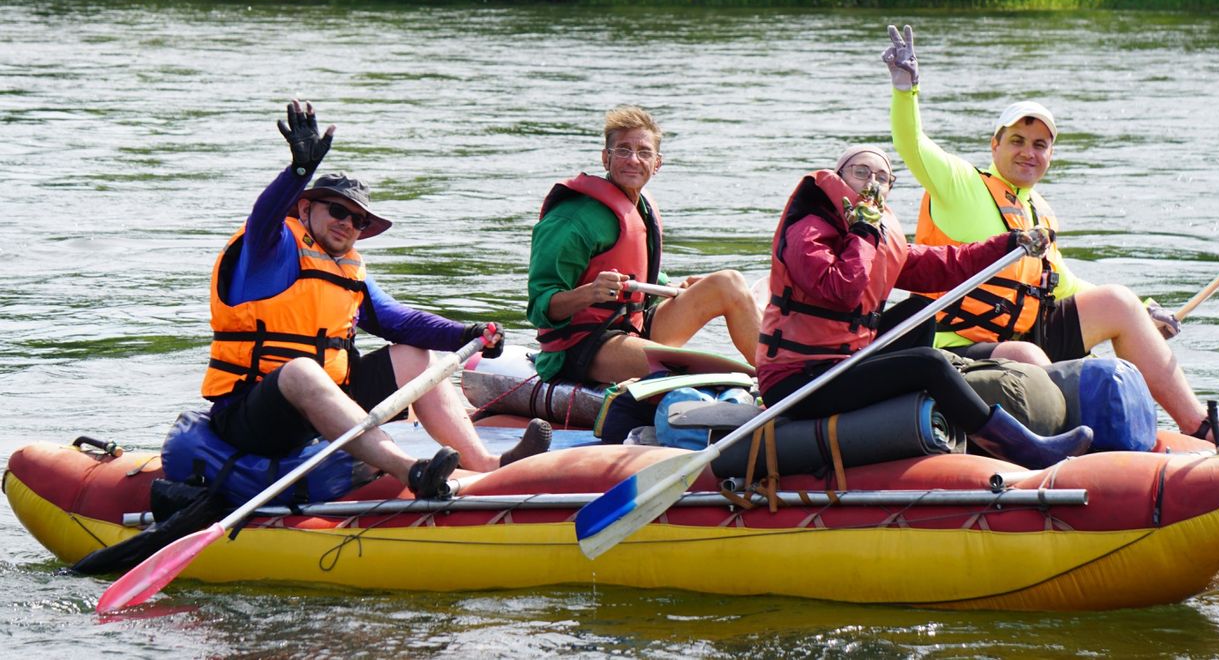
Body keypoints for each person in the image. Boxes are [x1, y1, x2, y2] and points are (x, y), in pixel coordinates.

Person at [881, 25, 1219, 445]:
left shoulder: (1038, 211)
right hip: (960, 344)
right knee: (1027, 360)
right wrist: (906, 92)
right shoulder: (959, 183)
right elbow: (912, 143)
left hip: (1023, 329)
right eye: (1017, 140)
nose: (1028, 152)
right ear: (994, 145)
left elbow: (1061, 283)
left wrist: (1144, 310)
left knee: (1118, 302)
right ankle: (1058, 450)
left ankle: (1197, 424)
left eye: (1040, 145)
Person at [204, 102, 551, 501]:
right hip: (252, 414)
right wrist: (299, 170)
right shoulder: (271, 249)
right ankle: (411, 470)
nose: (347, 224)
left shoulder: (347, 270)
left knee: (415, 356)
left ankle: (486, 464)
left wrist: (467, 334)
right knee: (301, 370)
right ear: (305, 208)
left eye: (358, 220)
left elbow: (399, 321)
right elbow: (262, 217)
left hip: (326, 409)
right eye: (337, 210)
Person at [754, 145, 1094, 468]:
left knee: (919, 313)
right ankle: (1017, 446)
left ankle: (918, 416)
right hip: (798, 380)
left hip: (840, 360)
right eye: (861, 172)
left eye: (882, 178)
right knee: (928, 363)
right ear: (839, 177)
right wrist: (864, 229)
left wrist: (1007, 244)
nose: (872, 183)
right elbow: (842, 288)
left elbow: (943, 265)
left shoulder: (873, 232)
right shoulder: (808, 227)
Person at [527, 105, 760, 386]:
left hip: (635, 327)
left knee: (729, 282)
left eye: (644, 152)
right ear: (606, 158)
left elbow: (641, 280)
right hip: (584, 345)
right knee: (705, 368)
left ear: (657, 163)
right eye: (623, 150)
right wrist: (590, 293)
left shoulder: (642, 209)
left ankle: (781, 374)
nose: (633, 160)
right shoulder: (571, 220)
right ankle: (756, 382)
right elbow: (540, 308)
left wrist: (676, 289)